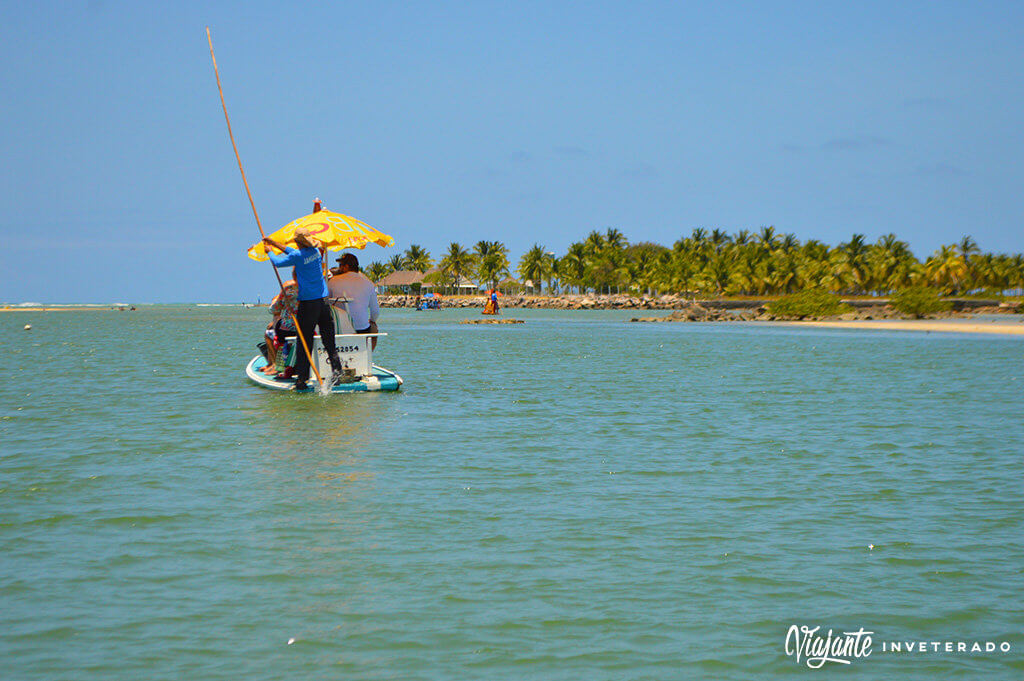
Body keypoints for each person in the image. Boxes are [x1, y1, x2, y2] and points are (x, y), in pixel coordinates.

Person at [262, 227, 342, 391]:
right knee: (329, 340)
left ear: (299, 242)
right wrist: (273, 243)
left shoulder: (298, 256)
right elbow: (291, 251)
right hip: (323, 302)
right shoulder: (315, 251)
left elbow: (277, 262)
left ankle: (302, 379)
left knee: (304, 342)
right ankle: (337, 372)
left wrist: (269, 251)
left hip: (308, 304)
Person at [327, 252, 381, 350]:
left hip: (338, 329)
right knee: (374, 328)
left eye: (341, 265)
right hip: (361, 329)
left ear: (346, 267)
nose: (339, 268)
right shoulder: (368, 283)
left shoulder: (333, 281)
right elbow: (375, 312)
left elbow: (325, 303)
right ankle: (367, 356)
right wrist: (372, 321)